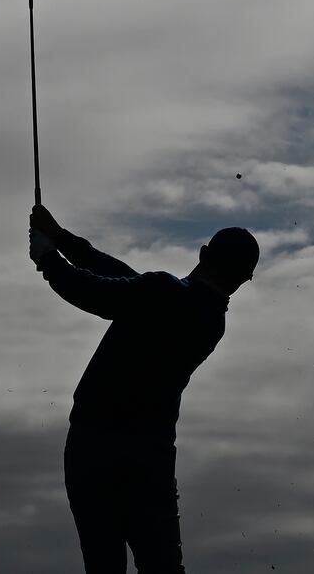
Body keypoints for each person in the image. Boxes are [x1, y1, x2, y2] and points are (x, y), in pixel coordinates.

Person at [28, 202, 259, 574]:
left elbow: (98, 292)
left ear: (203, 255)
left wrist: (48, 259)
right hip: (150, 459)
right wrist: (60, 238)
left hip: (94, 448)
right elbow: (124, 279)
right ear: (245, 279)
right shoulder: (208, 320)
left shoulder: (162, 293)